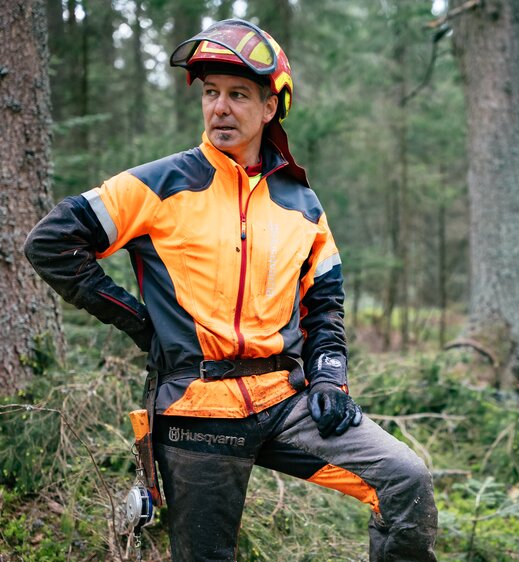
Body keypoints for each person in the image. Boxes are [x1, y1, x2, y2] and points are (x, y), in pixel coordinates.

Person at [24, 19, 438, 562]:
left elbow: (325, 305)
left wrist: (331, 379)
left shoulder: (302, 203)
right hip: (198, 408)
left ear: (270, 107)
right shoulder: (159, 183)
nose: (220, 107)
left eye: (238, 95)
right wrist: (138, 320)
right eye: (212, 93)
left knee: (404, 479)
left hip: (286, 401)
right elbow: (51, 242)